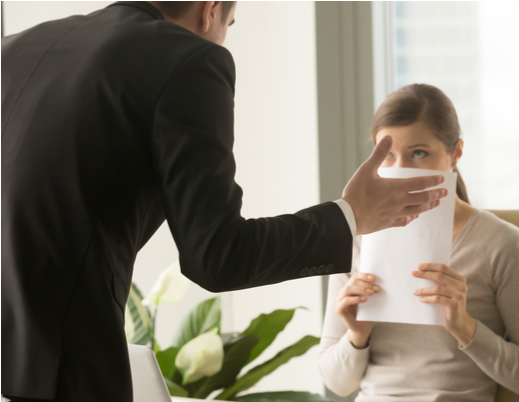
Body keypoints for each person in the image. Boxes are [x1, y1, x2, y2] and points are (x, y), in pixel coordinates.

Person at [0, 3, 449, 402]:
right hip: (58, 371)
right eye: (230, 24)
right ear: (210, 10)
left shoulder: (15, 46)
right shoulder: (189, 58)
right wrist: (352, 214)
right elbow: (218, 256)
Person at [319, 84, 519, 402]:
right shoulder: (358, 240)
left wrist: (465, 327)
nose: (401, 170)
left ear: (456, 153)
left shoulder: (504, 245)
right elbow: (337, 384)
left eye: (419, 153)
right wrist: (357, 334)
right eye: (387, 154)